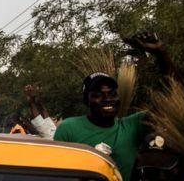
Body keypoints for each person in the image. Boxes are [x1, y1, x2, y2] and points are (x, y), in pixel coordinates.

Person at [54, 32, 177, 181]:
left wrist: (160, 52)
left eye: (112, 93)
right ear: (87, 101)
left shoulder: (132, 126)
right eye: (98, 94)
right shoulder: (69, 129)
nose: (107, 99)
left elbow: (169, 97)